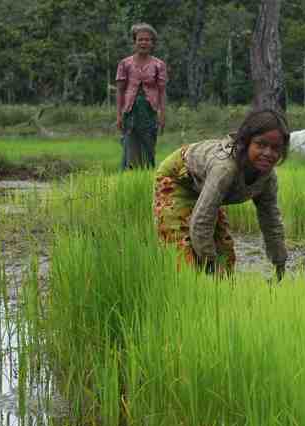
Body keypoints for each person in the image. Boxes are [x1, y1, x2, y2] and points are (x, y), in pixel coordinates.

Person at [153, 109, 289, 280]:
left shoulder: (267, 178)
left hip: (205, 186)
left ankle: (221, 293)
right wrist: (209, 263)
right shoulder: (225, 169)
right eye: (261, 145)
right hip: (178, 180)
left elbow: (271, 220)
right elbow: (202, 221)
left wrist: (279, 261)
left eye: (276, 148)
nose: (268, 153)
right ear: (246, 143)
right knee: (184, 258)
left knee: (224, 253)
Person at [115, 23, 167, 169]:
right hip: (130, 112)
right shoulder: (125, 64)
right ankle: (128, 180)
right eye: (140, 39)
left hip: (149, 112)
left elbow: (162, 92)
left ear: (152, 43)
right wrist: (119, 116)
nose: (144, 43)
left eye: (147, 40)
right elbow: (120, 91)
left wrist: (162, 115)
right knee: (130, 149)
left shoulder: (159, 65)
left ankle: (147, 179)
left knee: (149, 150)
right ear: (135, 42)